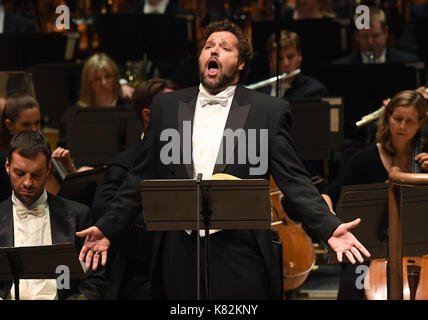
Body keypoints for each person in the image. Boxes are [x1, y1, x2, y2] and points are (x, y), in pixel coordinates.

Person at [77, 19, 370, 300]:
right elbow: (138, 177)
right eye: (209, 46)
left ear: (241, 63)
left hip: (240, 248)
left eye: (225, 47)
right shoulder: (166, 107)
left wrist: (329, 227)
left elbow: (294, 180)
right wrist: (107, 228)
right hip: (179, 247)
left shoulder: (267, 111)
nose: (214, 50)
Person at [321, 90, 428, 299]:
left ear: (421, 122)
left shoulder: (425, 159)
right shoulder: (366, 157)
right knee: (352, 286)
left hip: (419, 250)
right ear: (388, 117)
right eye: (397, 119)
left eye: (410, 121)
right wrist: (330, 225)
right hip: (370, 252)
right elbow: (328, 195)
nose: (402, 126)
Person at [91, 78, 178, 300]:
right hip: (141, 279)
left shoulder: (188, 156)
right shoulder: (126, 161)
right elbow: (103, 207)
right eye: (173, 108)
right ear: (148, 116)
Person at [0, 131, 108, 300]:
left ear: (49, 169)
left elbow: (96, 282)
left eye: (36, 174)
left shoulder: (79, 215)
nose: (27, 183)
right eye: (20, 173)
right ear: (7, 167)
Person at [0, 94, 86, 202]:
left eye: (37, 123)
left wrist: (70, 170)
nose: (34, 130)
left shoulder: (47, 153)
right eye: (26, 125)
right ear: (9, 125)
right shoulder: (2, 161)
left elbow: (74, 200)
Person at [58, 53, 132, 148]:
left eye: (108, 76)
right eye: (97, 78)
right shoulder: (73, 115)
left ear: (115, 78)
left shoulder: (127, 112)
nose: (103, 83)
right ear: (88, 82)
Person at [332, 6, 417, 65]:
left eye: (376, 35)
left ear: (386, 32)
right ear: (357, 36)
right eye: (364, 36)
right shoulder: (341, 67)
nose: (370, 42)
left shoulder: (408, 63)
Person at [262, 29, 328, 100]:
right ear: (270, 61)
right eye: (280, 59)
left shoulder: (314, 90)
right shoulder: (259, 91)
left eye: (290, 57)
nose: (286, 64)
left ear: (300, 56)